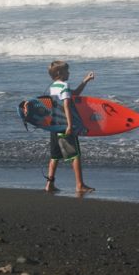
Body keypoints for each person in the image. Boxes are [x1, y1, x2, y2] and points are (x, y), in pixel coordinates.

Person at [44, 60, 95, 194]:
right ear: (60, 73)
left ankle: (49, 184)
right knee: (75, 155)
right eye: (67, 71)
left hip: (54, 126)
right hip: (65, 126)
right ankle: (79, 185)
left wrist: (85, 81)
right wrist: (70, 125)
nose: (69, 73)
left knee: (55, 156)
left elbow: (75, 93)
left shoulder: (53, 87)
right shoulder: (64, 86)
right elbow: (66, 106)